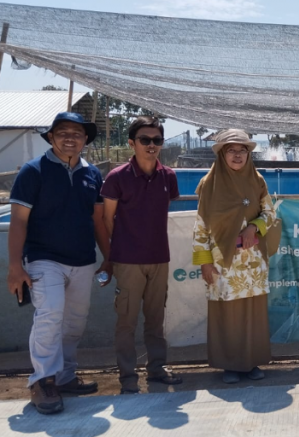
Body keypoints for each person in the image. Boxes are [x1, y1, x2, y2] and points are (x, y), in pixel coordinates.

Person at [6, 112, 111, 414]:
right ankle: (42, 381)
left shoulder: (92, 174)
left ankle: (64, 377)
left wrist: (109, 258)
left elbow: (98, 221)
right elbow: (18, 221)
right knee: (50, 314)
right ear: (50, 137)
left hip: (83, 259)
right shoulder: (33, 171)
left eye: (77, 133)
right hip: (43, 258)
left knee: (75, 321)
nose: (69, 138)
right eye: (62, 132)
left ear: (85, 140)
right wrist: (15, 267)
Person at [101, 116, 182, 394]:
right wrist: (120, 250)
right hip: (127, 261)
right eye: (145, 139)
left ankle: (156, 369)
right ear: (132, 143)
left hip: (159, 258)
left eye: (157, 140)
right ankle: (127, 377)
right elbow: (107, 219)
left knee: (156, 319)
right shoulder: (117, 177)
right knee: (126, 321)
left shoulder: (168, 176)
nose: (151, 145)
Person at [192, 129, 278, 383]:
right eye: (231, 150)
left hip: (253, 261)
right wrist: (205, 262)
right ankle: (229, 365)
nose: (238, 155)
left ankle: (251, 362)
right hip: (222, 262)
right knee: (226, 314)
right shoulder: (209, 183)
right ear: (222, 154)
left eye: (243, 150)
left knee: (253, 313)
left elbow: (270, 214)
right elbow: (200, 226)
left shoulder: (257, 180)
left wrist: (254, 227)